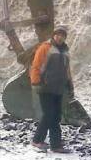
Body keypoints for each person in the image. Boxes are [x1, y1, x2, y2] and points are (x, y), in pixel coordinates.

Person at [30, 25, 74, 153]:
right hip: (45, 87)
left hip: (58, 88)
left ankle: (56, 145)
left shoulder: (65, 51)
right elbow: (36, 66)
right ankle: (37, 140)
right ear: (54, 35)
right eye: (58, 34)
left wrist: (70, 85)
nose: (60, 37)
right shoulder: (45, 48)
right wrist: (36, 82)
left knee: (56, 116)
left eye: (63, 35)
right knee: (48, 114)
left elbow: (67, 70)